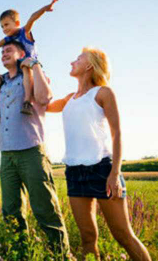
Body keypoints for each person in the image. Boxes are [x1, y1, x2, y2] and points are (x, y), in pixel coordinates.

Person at [47, 47, 152, 261]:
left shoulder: (103, 93)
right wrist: (37, 76)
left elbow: (117, 134)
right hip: (75, 172)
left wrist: (115, 174)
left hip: (102, 169)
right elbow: (43, 106)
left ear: (89, 66)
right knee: (87, 237)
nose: (71, 62)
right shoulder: (69, 98)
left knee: (123, 235)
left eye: (78, 59)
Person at [0, 40, 70, 259]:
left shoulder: (31, 75)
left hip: (31, 151)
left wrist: (34, 64)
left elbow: (45, 98)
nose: (3, 54)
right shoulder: (2, 84)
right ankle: (19, 255)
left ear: (21, 53)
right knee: (11, 212)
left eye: (8, 50)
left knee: (45, 208)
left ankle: (62, 256)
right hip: (6, 154)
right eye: (1, 52)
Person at [0, 0, 59, 124]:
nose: (4, 29)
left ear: (17, 23)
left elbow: (33, 17)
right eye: (2, 27)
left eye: (6, 25)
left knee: (25, 66)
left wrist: (45, 8)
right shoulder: (7, 39)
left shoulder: (24, 32)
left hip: (29, 67)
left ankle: (27, 102)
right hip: (16, 71)